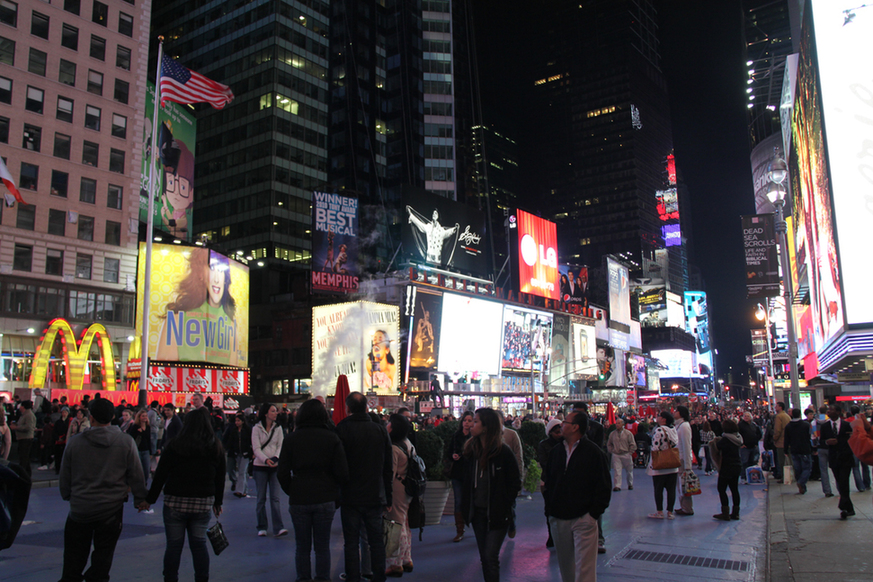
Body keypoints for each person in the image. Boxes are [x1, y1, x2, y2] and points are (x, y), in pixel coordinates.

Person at [58, 399, 148, 582]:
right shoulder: (126, 442)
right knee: (103, 558)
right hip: (111, 509)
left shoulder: (75, 443)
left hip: (80, 508)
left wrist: (68, 495)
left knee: (73, 560)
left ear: (91, 417)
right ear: (113, 416)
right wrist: (140, 498)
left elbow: (65, 475)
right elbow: (137, 475)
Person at [142, 407, 225, 582]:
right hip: (202, 503)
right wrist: (218, 502)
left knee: (173, 546)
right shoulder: (215, 446)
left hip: (175, 502)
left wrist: (149, 499)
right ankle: (202, 579)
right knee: (199, 544)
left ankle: (170, 579)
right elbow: (220, 477)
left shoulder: (174, 445)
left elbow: (161, 474)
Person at [276, 398, 348, 582]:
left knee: (302, 546)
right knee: (322, 546)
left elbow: (282, 472)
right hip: (325, 496)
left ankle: (303, 578)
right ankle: (323, 578)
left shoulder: (292, 438)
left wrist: (291, 490)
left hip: (300, 495)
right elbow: (342, 472)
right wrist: (335, 493)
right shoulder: (332, 438)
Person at [543, 410, 611, 582]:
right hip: (559, 517)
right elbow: (549, 482)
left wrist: (593, 514)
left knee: (585, 569)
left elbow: (603, 486)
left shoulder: (594, 453)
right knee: (566, 567)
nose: (561, 426)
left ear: (575, 427)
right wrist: (550, 511)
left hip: (584, 518)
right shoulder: (556, 452)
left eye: (564, 422)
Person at [336, 392, 393, 582]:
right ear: (367, 407)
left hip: (350, 495)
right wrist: (388, 497)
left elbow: (338, 464)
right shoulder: (380, 430)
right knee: (376, 540)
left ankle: (353, 577)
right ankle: (378, 577)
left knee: (351, 542)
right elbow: (387, 467)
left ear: (348, 408)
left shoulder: (342, 429)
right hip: (374, 494)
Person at [460, 408, 521, 582]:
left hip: (497, 513)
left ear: (486, 426)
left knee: (489, 556)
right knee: (485, 557)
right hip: (477, 513)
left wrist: (505, 503)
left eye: (476, 421)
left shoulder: (503, 452)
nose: (471, 424)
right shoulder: (471, 450)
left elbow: (514, 482)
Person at [156, 248, 239, 366]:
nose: (216, 278)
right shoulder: (176, 320)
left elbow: (233, 374)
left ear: (226, 278)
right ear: (200, 274)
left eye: (221, 271)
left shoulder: (231, 327)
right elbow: (164, 373)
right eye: (212, 268)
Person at [386, 413, 415, 577]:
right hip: (407, 488)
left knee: (395, 525)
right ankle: (406, 558)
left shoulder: (393, 448)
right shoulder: (408, 443)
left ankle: (395, 563)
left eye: (390, 423)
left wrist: (386, 495)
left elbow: (390, 473)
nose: (387, 425)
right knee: (404, 523)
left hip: (397, 489)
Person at [252, 403, 287, 537]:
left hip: (274, 467)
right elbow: (256, 448)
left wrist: (275, 458)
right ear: (266, 413)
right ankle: (262, 526)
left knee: (275, 498)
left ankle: (278, 527)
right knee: (261, 498)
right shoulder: (256, 429)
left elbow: (280, 445)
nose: (275, 413)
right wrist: (266, 460)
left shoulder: (278, 429)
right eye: (273, 411)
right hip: (260, 467)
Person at [820, 404, 855, 519]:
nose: (829, 412)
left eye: (832, 410)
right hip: (834, 458)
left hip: (846, 457)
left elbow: (852, 440)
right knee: (840, 482)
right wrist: (827, 442)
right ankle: (849, 508)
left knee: (844, 481)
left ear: (838, 412)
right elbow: (821, 441)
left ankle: (843, 507)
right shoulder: (825, 426)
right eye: (829, 410)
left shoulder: (847, 425)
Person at [447, 410, 474, 543]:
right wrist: (453, 456)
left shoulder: (475, 437)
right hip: (457, 472)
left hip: (470, 472)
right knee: (458, 501)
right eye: (465, 420)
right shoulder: (456, 435)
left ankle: (475, 525)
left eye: (469, 421)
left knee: (471, 500)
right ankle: (459, 529)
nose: (467, 423)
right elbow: (448, 451)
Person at [496, 410, 523, 539]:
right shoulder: (485, 436)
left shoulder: (511, 435)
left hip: (508, 478)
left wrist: (520, 477)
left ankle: (511, 524)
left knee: (509, 505)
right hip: (495, 479)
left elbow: (518, 457)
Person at [647, 411, 679, 519]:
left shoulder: (659, 430)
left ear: (664, 419)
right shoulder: (673, 429)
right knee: (671, 490)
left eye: (659, 416)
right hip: (672, 465)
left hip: (660, 465)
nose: (657, 417)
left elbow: (655, 447)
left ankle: (659, 511)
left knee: (658, 489)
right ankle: (670, 512)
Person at [537, 418, 563, 548]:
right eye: (556, 432)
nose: (559, 435)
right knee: (549, 510)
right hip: (549, 482)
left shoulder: (566, 443)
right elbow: (544, 462)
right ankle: (552, 536)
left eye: (560, 432)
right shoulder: (544, 445)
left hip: (563, 482)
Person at [712, 419, 743, 521]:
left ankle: (725, 512)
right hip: (737, 465)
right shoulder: (738, 438)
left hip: (726, 466)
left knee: (721, 489)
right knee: (734, 489)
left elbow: (717, 448)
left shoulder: (725, 440)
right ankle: (736, 513)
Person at [223, 412, 253, 498]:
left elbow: (251, 442)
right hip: (238, 454)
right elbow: (230, 442)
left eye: (238, 421)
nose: (236, 422)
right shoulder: (234, 431)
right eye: (236, 421)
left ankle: (239, 490)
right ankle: (244, 490)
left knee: (242, 472)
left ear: (243, 421)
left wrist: (251, 452)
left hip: (246, 454)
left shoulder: (247, 431)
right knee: (242, 472)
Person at [784, 408, 813, 494]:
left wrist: (785, 450)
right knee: (807, 468)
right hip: (805, 449)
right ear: (800, 414)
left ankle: (802, 486)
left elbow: (786, 439)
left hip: (794, 450)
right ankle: (801, 483)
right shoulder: (806, 425)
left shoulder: (788, 426)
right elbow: (810, 437)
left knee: (798, 469)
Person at [673, 406, 694, 516]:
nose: (674, 412)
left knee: (684, 484)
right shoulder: (679, 426)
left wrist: (687, 465)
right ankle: (684, 506)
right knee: (681, 485)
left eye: (676, 410)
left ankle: (687, 508)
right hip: (679, 458)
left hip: (682, 459)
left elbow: (686, 445)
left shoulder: (684, 426)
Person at [607, 418, 636, 491]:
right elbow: (609, 444)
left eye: (619, 423)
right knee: (617, 470)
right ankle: (617, 486)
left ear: (623, 424)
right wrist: (611, 451)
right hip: (616, 454)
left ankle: (630, 484)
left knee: (629, 471)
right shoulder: (612, 434)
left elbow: (632, 444)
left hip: (626, 453)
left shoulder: (628, 433)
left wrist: (630, 452)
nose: (617, 425)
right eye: (616, 423)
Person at [814, 406, 835, 498]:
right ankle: (840, 488)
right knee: (835, 468)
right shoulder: (829, 421)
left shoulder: (814, 422)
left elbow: (812, 436)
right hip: (831, 447)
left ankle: (827, 490)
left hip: (820, 447)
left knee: (823, 470)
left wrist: (815, 447)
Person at [11, 400, 35, 478]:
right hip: (22, 438)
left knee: (23, 458)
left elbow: (28, 427)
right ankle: (27, 475)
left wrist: (16, 427)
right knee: (25, 458)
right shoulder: (24, 415)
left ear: (23, 406)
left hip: (26, 439)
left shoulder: (28, 415)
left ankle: (22, 475)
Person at [128, 409, 153, 485]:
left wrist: (151, 452)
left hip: (146, 450)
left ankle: (144, 482)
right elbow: (130, 437)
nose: (145, 417)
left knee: (146, 469)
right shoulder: (135, 427)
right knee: (138, 469)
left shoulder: (148, 427)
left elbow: (148, 439)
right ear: (139, 417)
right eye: (143, 416)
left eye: (146, 416)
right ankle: (138, 484)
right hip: (137, 449)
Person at [737, 412, 761, 480]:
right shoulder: (740, 425)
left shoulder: (754, 425)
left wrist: (756, 442)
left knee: (752, 462)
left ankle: (751, 477)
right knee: (744, 462)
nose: (746, 417)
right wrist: (741, 444)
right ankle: (744, 476)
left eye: (748, 416)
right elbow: (737, 435)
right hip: (745, 447)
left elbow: (759, 433)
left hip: (753, 446)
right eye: (745, 416)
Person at [772, 402, 791, 482]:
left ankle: (784, 477)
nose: (775, 407)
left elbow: (777, 430)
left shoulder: (779, 416)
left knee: (781, 461)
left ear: (780, 407)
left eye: (776, 406)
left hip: (781, 442)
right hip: (788, 441)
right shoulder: (787, 416)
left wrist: (774, 438)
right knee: (790, 461)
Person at [52, 407, 71, 474]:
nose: (64, 414)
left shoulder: (69, 422)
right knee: (58, 456)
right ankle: (58, 469)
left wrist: (64, 438)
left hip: (65, 440)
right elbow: (54, 431)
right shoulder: (58, 422)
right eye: (63, 412)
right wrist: (57, 438)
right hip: (58, 440)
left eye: (65, 412)